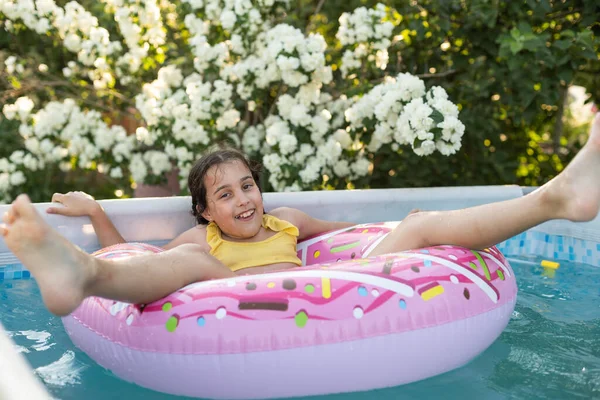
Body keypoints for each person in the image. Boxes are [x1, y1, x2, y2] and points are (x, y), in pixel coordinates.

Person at [2, 113, 600, 317]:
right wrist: (98, 215)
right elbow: (140, 262)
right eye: (226, 196)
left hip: (322, 289)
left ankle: (554, 199)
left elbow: (358, 238)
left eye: (247, 185)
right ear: (207, 210)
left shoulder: (289, 221)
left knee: (417, 221)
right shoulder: (200, 240)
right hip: (231, 291)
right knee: (186, 262)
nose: (244, 201)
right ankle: (78, 275)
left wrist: (408, 229)